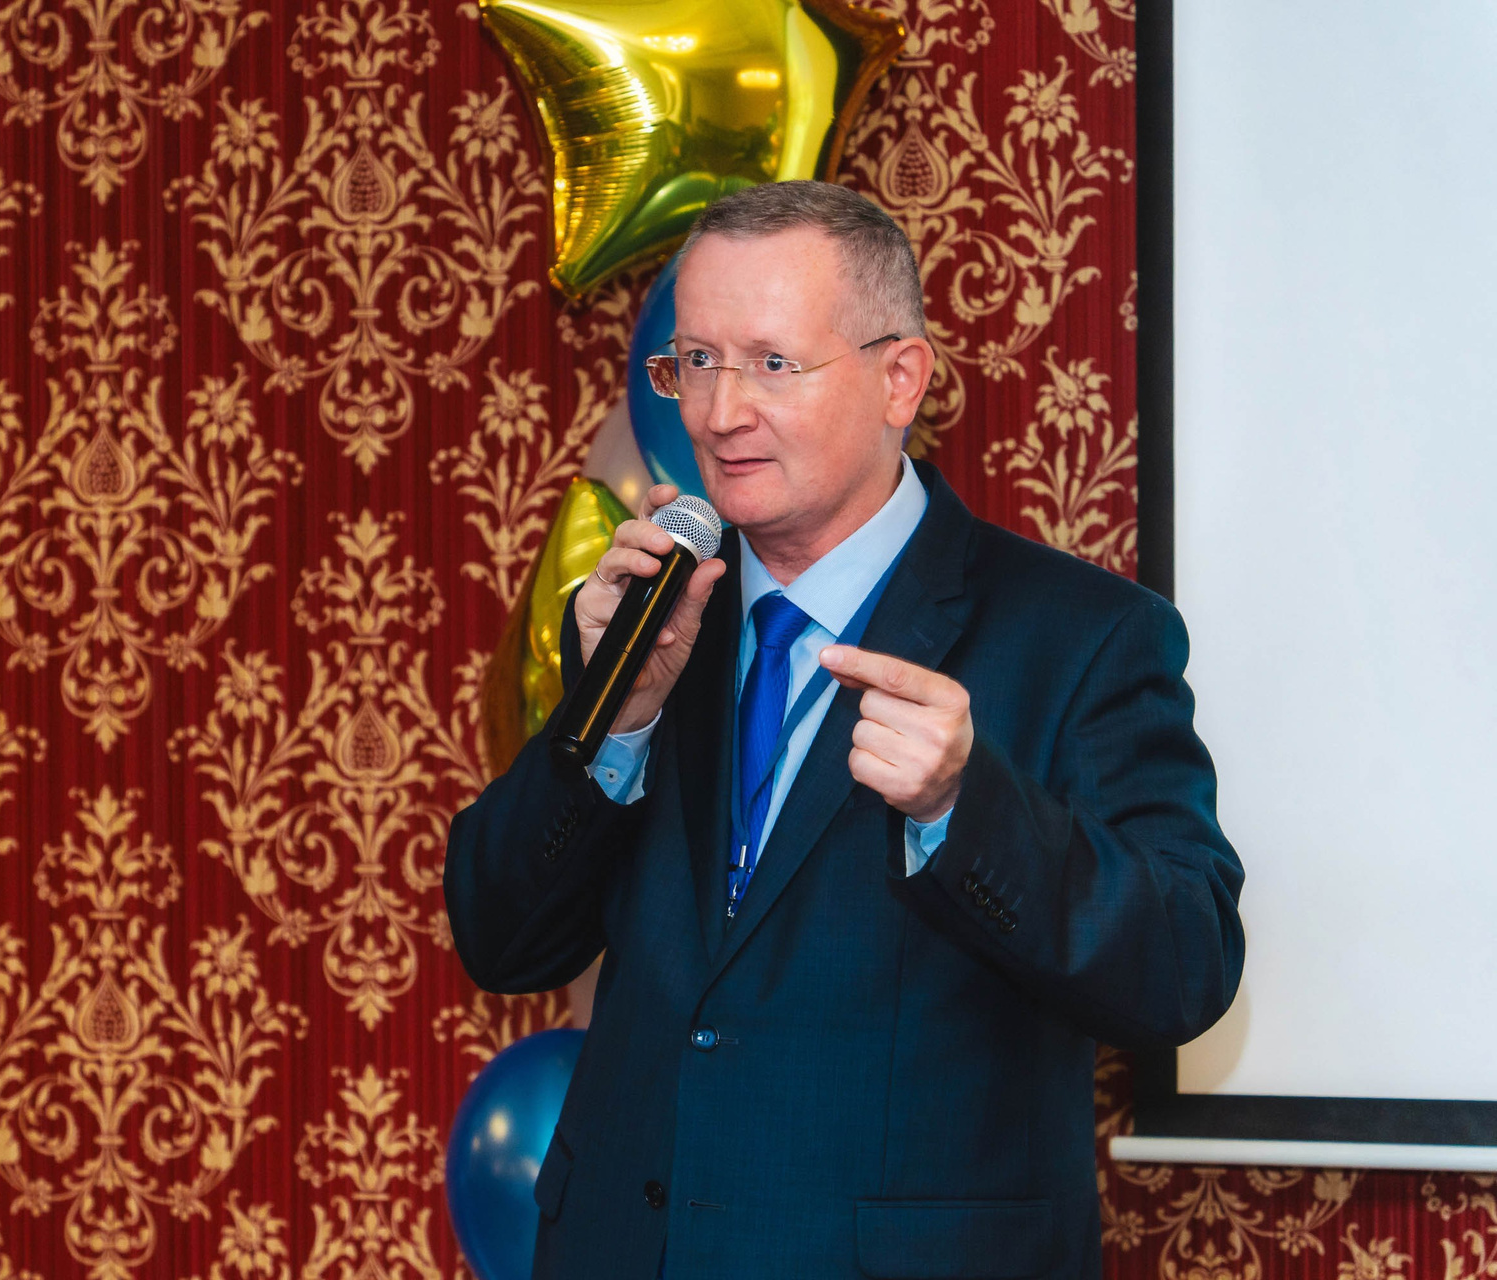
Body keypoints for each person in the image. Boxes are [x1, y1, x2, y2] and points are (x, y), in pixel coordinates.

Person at [443, 180, 1244, 1279]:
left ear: (899, 378)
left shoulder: (1082, 636)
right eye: (696, 360)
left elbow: (1186, 969)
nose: (720, 411)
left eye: (772, 363)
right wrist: (612, 730)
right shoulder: (654, 619)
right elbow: (501, 938)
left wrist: (966, 807)